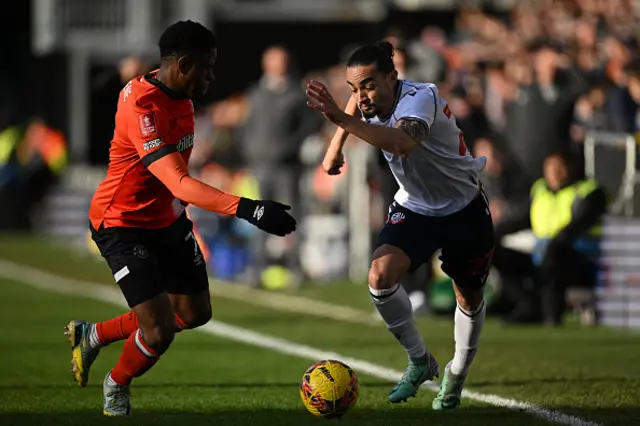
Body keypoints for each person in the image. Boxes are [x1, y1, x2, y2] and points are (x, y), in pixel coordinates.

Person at [64, 20, 296, 416]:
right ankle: (116, 386)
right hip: (121, 222)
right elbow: (179, 181)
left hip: (165, 220)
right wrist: (250, 208)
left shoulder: (184, 99)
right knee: (157, 331)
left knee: (195, 314)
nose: (212, 76)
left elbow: (177, 185)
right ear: (184, 64)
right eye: (206, 67)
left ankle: (95, 334)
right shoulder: (142, 105)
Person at [306, 41, 493, 410]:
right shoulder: (367, 100)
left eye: (369, 85)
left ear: (393, 77)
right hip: (415, 206)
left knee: (468, 297)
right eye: (354, 88)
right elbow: (353, 106)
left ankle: (457, 372)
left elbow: (403, 142)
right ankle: (420, 360)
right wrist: (335, 147)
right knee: (380, 276)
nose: (361, 96)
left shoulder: (420, 99)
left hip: (463, 207)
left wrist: (341, 122)